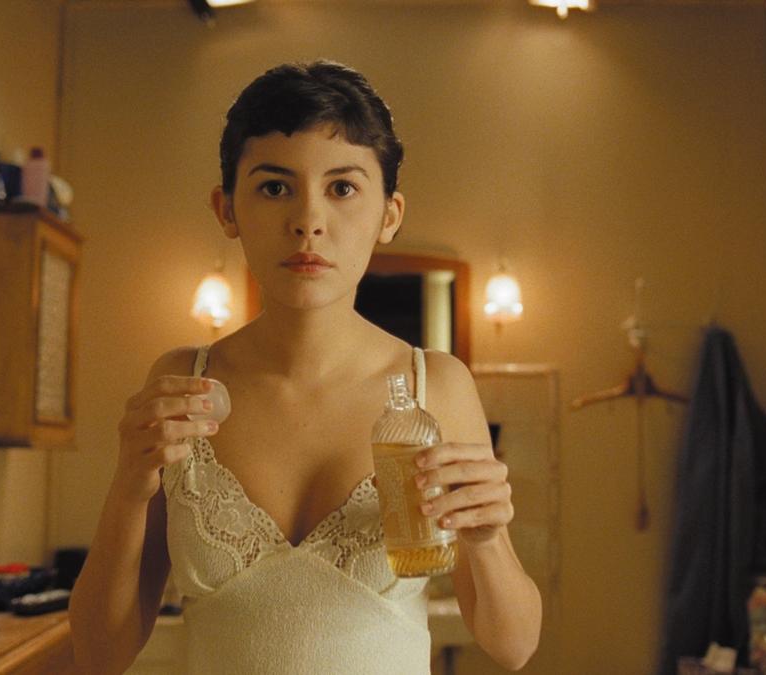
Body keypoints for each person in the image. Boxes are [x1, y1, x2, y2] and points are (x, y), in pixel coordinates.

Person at [69, 60, 542, 674]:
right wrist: (129, 489)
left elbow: (513, 646)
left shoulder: (439, 387)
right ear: (226, 210)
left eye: (342, 188)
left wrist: (488, 539)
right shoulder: (184, 385)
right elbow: (99, 655)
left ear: (389, 214)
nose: (307, 221)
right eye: (274, 188)